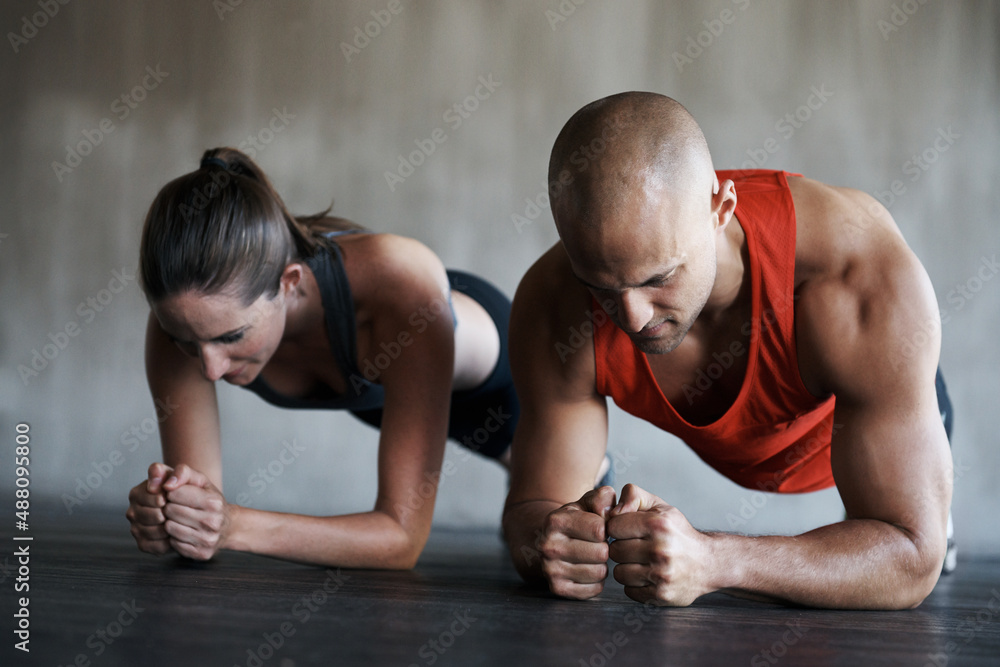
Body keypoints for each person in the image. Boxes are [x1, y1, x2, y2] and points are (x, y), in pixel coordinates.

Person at [501, 92, 955, 609]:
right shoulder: (553, 303)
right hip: (761, 436)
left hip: (855, 431)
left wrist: (716, 560)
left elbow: (911, 560)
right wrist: (551, 544)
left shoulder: (856, 277)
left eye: (659, 278)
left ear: (721, 209)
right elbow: (531, 507)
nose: (633, 319)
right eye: (601, 287)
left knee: (924, 535)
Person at [126, 147, 525, 569]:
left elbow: (401, 540)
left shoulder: (400, 285)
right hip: (379, 395)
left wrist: (234, 526)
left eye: (233, 336)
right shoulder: (187, 320)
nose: (210, 368)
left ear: (288, 282)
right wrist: (172, 516)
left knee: (534, 534)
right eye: (187, 341)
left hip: (504, 379)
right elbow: (201, 506)